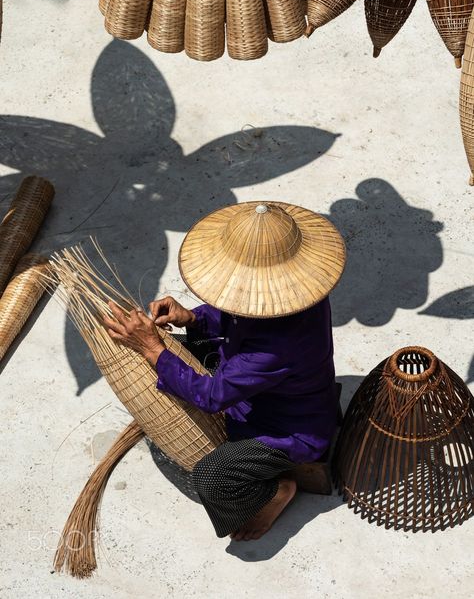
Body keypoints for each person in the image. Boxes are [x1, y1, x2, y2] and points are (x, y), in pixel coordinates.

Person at [104, 201, 346, 541]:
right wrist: (193, 318)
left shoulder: (274, 349)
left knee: (211, 478)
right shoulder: (297, 293)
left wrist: (151, 348)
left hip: (288, 431)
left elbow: (211, 397)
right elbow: (235, 314)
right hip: (276, 389)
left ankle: (275, 492)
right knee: (186, 345)